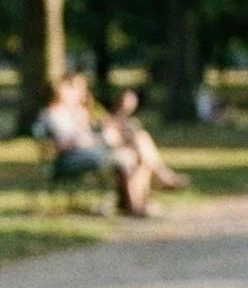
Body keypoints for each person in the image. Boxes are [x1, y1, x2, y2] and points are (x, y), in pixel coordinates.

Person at [41, 73, 164, 215]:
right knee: (128, 155)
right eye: (72, 89)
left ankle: (136, 201)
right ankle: (135, 202)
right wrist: (89, 138)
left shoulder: (78, 111)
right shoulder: (54, 114)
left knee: (137, 148)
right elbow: (61, 144)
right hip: (73, 158)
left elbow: (98, 127)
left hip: (92, 151)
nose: (78, 93)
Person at [105, 88, 191, 192]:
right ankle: (164, 176)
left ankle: (161, 177)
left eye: (132, 100)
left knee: (143, 145)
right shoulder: (110, 120)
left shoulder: (132, 121)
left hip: (136, 151)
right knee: (142, 141)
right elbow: (111, 139)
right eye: (127, 100)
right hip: (120, 150)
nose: (129, 104)